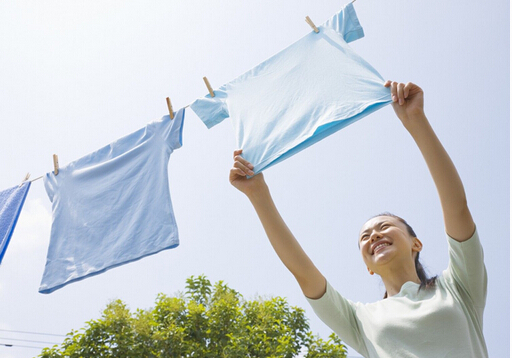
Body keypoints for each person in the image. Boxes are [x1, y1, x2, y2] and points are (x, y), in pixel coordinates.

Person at [229, 81, 488, 357]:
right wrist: (258, 194)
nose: (374, 236)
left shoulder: (458, 286)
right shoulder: (360, 319)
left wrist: (416, 120)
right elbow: (303, 272)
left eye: (384, 227)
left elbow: (457, 209)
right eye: (365, 237)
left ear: (416, 243)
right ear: (368, 268)